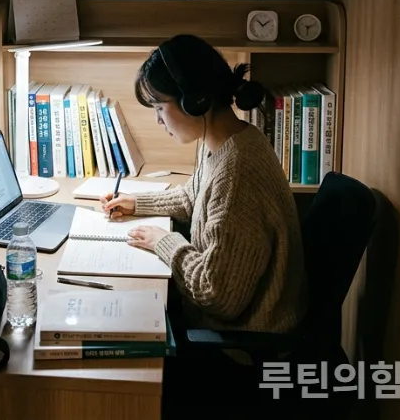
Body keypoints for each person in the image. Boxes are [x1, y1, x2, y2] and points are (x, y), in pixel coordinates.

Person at [100, 35, 307, 406]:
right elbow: (194, 197)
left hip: (239, 354)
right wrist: (138, 203)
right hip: (227, 328)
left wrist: (165, 243)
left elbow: (218, 294)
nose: (158, 120)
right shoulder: (231, 141)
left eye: (160, 108)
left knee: (118, 358)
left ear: (194, 100)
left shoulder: (237, 172)